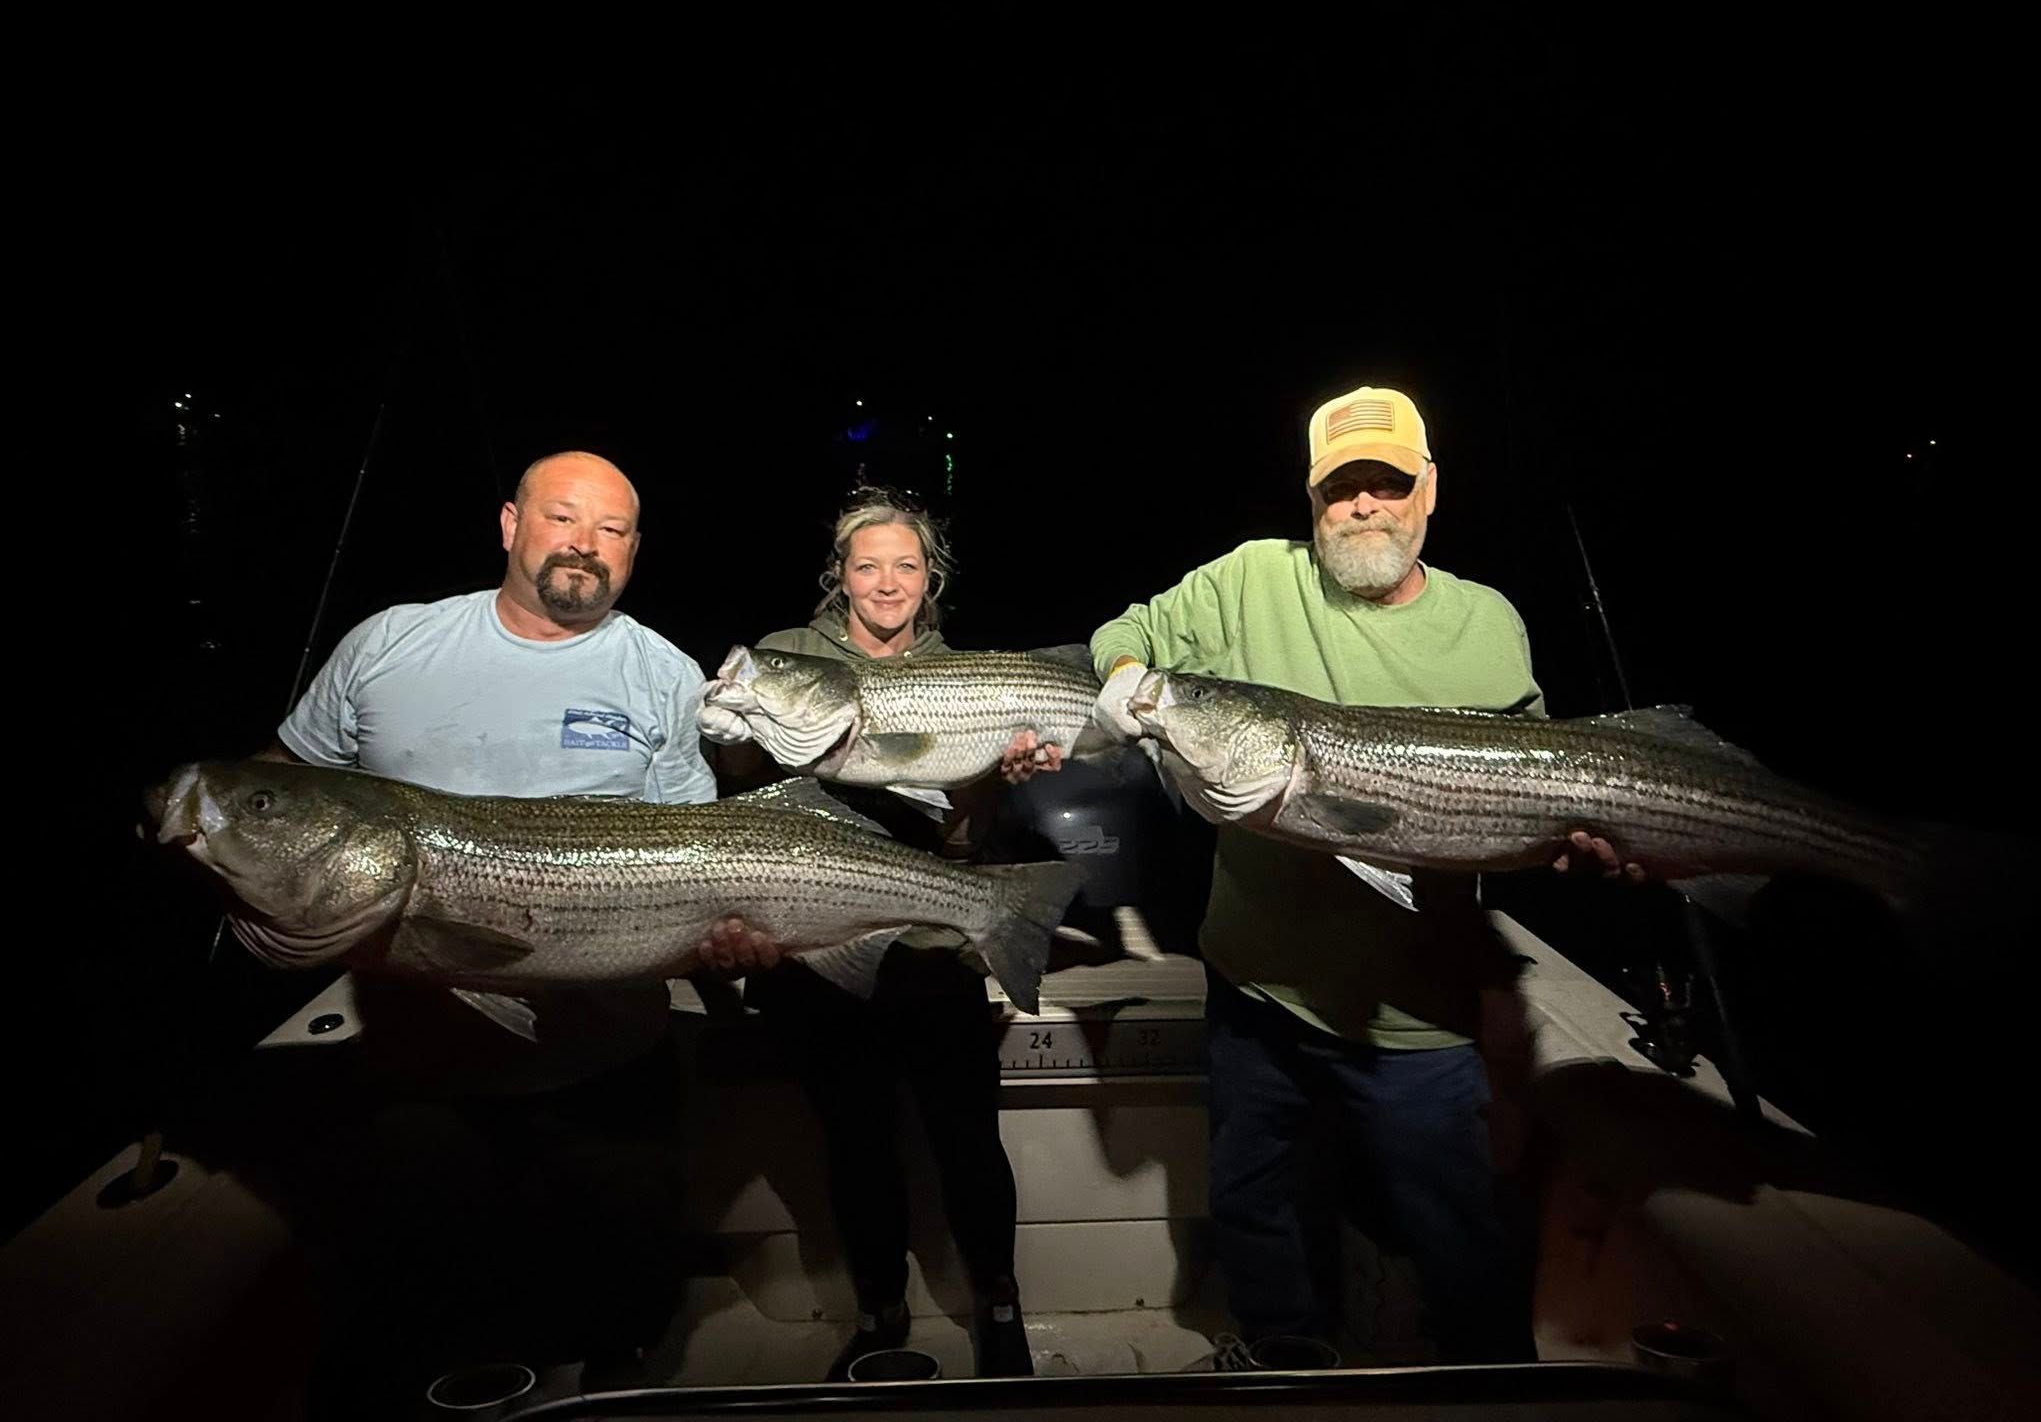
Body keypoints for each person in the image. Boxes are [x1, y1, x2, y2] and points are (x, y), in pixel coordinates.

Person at [1088, 387, 1618, 1364]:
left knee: (1457, 1232)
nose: (1363, 506)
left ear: (1427, 491)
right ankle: (1281, 1357)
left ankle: (1487, 1385)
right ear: (1311, 501)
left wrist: (1580, 841)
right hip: (1255, 987)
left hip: (1416, 1011)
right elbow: (1129, 632)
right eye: (1340, 489)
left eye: (1385, 482)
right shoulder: (1252, 579)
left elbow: (1540, 777)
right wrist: (1127, 678)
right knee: (1253, 1205)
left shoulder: (1485, 622)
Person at [263, 449, 773, 1411]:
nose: (584, 544)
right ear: (509, 524)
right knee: (425, 1326)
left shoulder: (663, 671)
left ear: (632, 550)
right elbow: (285, 788)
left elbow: (695, 847)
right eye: (562, 517)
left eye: (611, 529)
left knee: (616, 1320)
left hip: (608, 1067)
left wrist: (728, 931)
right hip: (418, 1078)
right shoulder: (388, 644)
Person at [699, 486, 1044, 1379]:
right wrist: (728, 729)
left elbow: (963, 830)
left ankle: (998, 1305)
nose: (885, 582)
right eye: (867, 565)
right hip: (810, 941)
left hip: (930, 938)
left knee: (967, 1135)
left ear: (929, 579)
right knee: (853, 1138)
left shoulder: (957, 675)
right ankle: (881, 1312)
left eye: (905, 566)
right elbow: (737, 774)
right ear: (839, 576)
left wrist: (991, 776)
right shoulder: (786, 656)